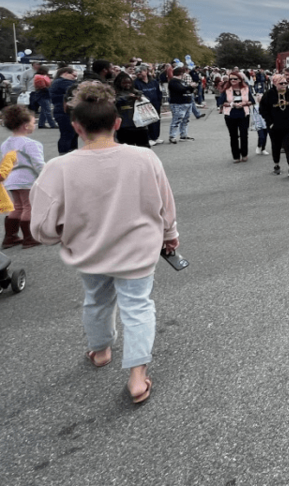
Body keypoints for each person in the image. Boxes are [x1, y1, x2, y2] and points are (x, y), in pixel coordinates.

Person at [30, 80, 179, 405]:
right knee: (138, 306)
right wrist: (169, 234)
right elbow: (164, 203)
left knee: (96, 300)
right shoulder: (144, 159)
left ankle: (100, 350)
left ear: (76, 127)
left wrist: (60, 235)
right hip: (137, 249)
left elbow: (41, 226)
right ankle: (137, 376)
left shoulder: (58, 168)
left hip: (88, 250)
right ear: (116, 123)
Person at [0, 105, 46, 248]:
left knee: (17, 207)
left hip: (11, 179)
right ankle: (29, 237)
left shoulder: (5, 143)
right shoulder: (31, 144)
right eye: (33, 123)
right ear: (26, 126)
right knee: (29, 207)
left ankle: (10, 237)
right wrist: (46, 176)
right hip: (27, 179)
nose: (34, 126)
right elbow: (38, 163)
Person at [260, 74, 289, 177]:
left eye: (285, 83)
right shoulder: (269, 95)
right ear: (274, 83)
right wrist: (270, 123)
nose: (284, 85)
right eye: (281, 83)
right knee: (276, 146)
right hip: (274, 126)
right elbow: (263, 110)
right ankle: (276, 165)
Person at [219, 71, 252, 163]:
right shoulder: (227, 89)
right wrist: (233, 104)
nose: (233, 80)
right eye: (231, 79)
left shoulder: (246, 89)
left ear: (240, 80)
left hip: (244, 114)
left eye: (235, 79)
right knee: (233, 136)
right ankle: (236, 156)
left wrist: (244, 103)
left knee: (244, 135)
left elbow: (251, 101)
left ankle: (244, 154)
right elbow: (221, 102)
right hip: (230, 115)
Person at [113, 73, 151, 148]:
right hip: (125, 126)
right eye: (124, 83)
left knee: (144, 148)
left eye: (129, 82)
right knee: (127, 149)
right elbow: (113, 101)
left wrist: (140, 97)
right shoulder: (115, 93)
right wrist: (126, 98)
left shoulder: (136, 91)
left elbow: (147, 100)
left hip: (140, 125)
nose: (127, 85)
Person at [50, 66, 79, 154]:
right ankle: (65, 153)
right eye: (73, 75)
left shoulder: (57, 82)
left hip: (62, 111)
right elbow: (76, 89)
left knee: (71, 134)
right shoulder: (62, 82)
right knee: (68, 134)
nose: (74, 78)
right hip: (64, 111)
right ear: (65, 73)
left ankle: (70, 153)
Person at [135, 65, 164, 146]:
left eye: (140, 72)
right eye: (137, 73)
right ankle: (149, 138)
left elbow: (159, 92)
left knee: (156, 120)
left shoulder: (154, 82)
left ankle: (156, 137)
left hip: (155, 104)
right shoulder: (136, 83)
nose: (138, 74)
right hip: (144, 106)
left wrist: (159, 102)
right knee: (147, 121)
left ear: (146, 71)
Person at [167, 67, 195, 144]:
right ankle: (172, 136)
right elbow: (180, 90)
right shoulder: (173, 81)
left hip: (187, 102)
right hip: (178, 103)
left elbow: (188, 90)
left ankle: (184, 135)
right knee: (177, 120)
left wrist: (191, 87)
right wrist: (189, 87)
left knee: (186, 120)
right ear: (181, 73)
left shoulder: (182, 81)